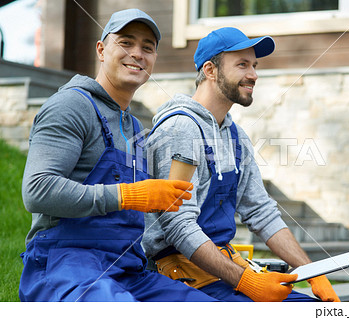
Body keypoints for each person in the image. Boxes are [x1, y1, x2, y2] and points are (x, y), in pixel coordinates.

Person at [19, 8, 217, 302]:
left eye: (147, 48)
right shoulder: (71, 106)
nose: (137, 53)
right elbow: (37, 191)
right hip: (65, 265)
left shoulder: (134, 126)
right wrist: (128, 195)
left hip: (127, 270)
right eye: (126, 42)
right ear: (101, 49)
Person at [143, 27, 340, 302]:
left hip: (224, 269)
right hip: (182, 276)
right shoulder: (180, 129)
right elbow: (178, 226)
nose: (254, 75)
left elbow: (262, 212)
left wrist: (312, 271)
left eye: (255, 66)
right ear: (211, 70)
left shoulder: (235, 136)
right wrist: (247, 281)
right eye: (242, 65)